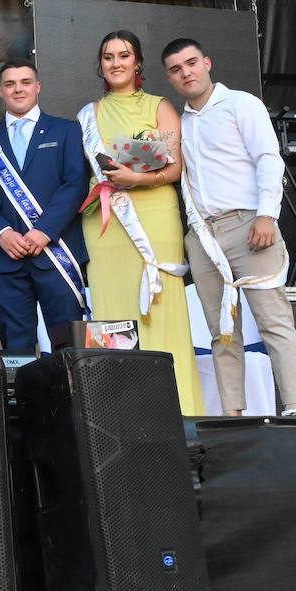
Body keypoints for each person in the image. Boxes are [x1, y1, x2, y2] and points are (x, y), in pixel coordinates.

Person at [161, 38, 296, 416]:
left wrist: (266, 215)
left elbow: (268, 159)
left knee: (273, 320)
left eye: (192, 63)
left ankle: (294, 407)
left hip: (248, 224)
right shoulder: (179, 124)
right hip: (204, 236)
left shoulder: (241, 104)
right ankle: (233, 415)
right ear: (169, 77)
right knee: (221, 331)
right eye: (176, 69)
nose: (186, 73)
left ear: (207, 62)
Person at [77, 31, 203, 414]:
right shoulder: (88, 116)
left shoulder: (159, 106)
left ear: (138, 63)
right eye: (108, 56)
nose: (116, 63)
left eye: (124, 55)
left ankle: (178, 414)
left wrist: (138, 179)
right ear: (100, 64)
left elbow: (176, 167)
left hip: (155, 220)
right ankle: (118, 417)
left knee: (161, 314)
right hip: (105, 225)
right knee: (112, 316)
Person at [0, 58, 89, 353]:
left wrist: (43, 231)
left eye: (25, 83)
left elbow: (75, 185)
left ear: (37, 87)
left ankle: (68, 401)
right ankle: (23, 402)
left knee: (69, 349)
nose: (18, 90)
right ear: (0, 91)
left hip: (56, 253)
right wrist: (2, 234)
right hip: (5, 260)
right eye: (10, 84)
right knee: (16, 353)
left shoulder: (67, 131)